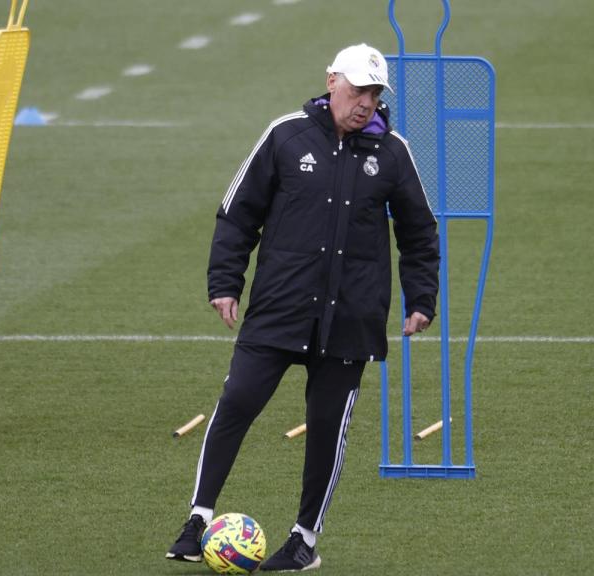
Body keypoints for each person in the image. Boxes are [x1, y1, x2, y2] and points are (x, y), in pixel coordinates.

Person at [166, 43, 439, 572]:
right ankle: (198, 519)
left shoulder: (393, 152)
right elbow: (237, 213)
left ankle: (303, 542)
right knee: (237, 403)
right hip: (278, 310)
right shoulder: (285, 135)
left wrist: (421, 297)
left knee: (327, 429)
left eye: (375, 93)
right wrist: (226, 281)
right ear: (332, 80)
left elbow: (419, 232)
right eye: (358, 88)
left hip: (350, 321)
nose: (365, 102)